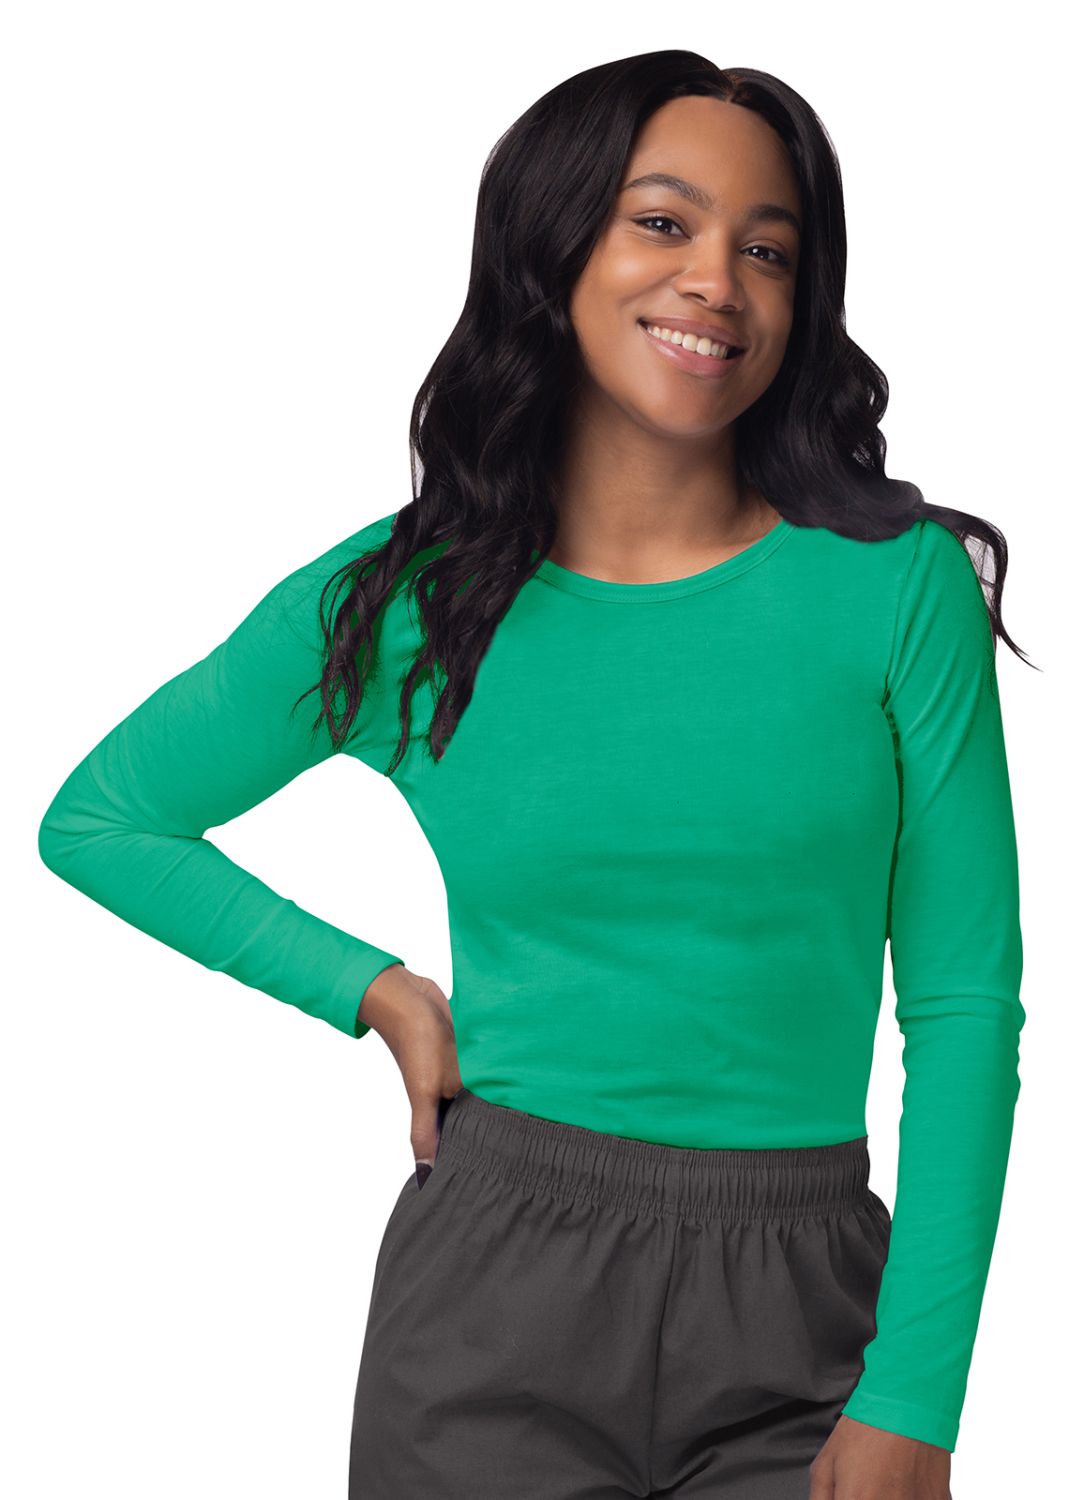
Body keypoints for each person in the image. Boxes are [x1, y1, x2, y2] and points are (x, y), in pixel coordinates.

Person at [37, 52, 1028, 1500]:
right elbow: (105, 818)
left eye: (768, 250)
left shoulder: (895, 589)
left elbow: (961, 1008)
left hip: (809, 1313)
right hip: (492, 1295)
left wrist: (919, 1395)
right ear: (552, 249)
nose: (718, 281)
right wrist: (375, 991)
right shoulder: (408, 604)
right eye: (664, 223)